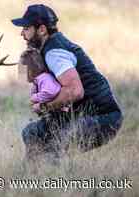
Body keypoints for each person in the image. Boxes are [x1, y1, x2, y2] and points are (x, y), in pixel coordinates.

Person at [11, 4, 123, 165]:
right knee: (31, 133)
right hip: (80, 116)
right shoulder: (49, 48)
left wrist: (44, 107)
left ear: (42, 29)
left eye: (26, 28)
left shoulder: (54, 52)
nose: (22, 34)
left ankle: (55, 181)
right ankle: (29, 176)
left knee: (55, 147)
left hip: (102, 118)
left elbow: (75, 91)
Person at [20, 47, 70, 115]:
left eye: (23, 69)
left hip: (61, 115)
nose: (22, 73)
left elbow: (50, 92)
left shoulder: (44, 78)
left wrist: (34, 98)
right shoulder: (38, 81)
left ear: (32, 69)